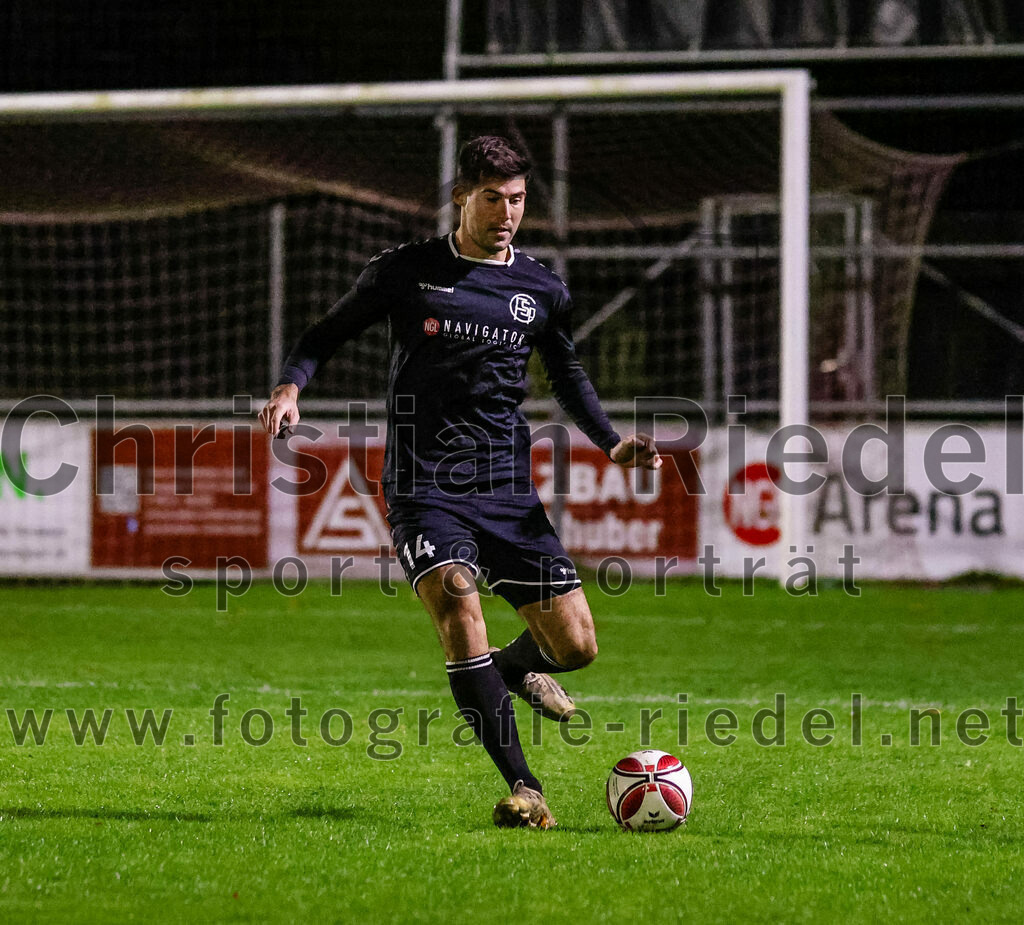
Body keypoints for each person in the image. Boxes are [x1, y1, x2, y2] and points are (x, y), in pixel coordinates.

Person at [259, 135, 661, 829]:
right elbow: (325, 334)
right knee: (457, 606)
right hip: (424, 487)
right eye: (492, 198)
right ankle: (527, 788)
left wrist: (613, 442)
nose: (507, 213)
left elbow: (567, 375)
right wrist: (290, 386)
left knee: (576, 647)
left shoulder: (541, 288)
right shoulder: (406, 271)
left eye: (518, 200)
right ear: (460, 197)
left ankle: (509, 669)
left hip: (506, 489)